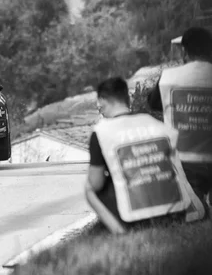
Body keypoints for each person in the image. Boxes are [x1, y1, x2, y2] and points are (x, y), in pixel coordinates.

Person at [85, 77, 205, 234]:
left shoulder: (101, 132)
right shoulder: (155, 123)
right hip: (177, 213)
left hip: (136, 219)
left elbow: (96, 183)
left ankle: (120, 232)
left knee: (90, 188)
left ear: (102, 100)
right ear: (127, 99)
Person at [147, 27, 212, 210]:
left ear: (184, 51)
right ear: (211, 50)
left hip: (183, 162)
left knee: (187, 189)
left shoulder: (167, 78)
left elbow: (153, 103)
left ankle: (196, 197)